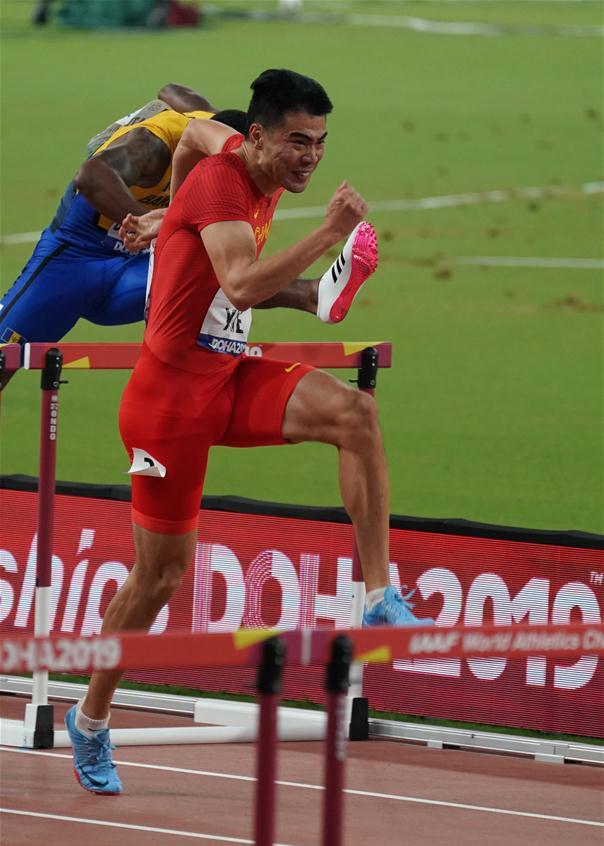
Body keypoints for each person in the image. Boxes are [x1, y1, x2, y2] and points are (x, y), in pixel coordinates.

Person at [64, 68, 433, 795]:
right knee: (158, 575)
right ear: (260, 137)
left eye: (321, 143)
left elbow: (195, 125)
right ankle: (92, 718)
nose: (311, 157)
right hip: (168, 405)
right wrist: (328, 234)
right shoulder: (222, 187)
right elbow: (238, 284)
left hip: (227, 375)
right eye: (298, 141)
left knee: (356, 416)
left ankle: (380, 592)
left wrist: (163, 204)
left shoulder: (231, 148)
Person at [0, 84, 366, 391]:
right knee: (3, 359)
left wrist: (169, 230)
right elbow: (91, 176)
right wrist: (151, 219)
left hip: (137, 271)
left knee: (214, 266)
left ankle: (309, 294)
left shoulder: (227, 137)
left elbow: (172, 90)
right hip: (75, 259)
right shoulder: (155, 148)